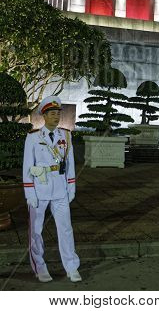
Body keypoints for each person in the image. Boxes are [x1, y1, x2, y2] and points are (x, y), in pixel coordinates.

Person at [23, 96, 81, 283]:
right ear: (44, 115)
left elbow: (70, 164)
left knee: (65, 229)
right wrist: (30, 193)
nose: (56, 117)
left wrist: (71, 186)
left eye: (58, 113)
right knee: (36, 232)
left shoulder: (65, 136)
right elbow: (27, 167)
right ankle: (39, 267)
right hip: (39, 191)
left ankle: (71, 267)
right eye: (52, 113)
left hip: (60, 191)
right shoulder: (33, 137)